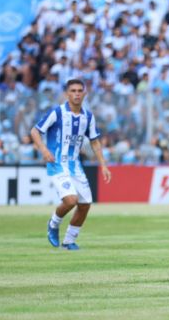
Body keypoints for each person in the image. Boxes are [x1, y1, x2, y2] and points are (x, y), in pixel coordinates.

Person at [30, 78, 112, 250]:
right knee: (71, 200)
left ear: (85, 94)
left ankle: (69, 241)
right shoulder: (57, 113)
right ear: (67, 94)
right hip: (57, 164)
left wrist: (103, 165)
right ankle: (53, 223)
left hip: (75, 166)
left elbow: (95, 142)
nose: (76, 94)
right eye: (73, 91)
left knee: (85, 204)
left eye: (79, 91)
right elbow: (35, 131)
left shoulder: (88, 116)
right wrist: (44, 150)